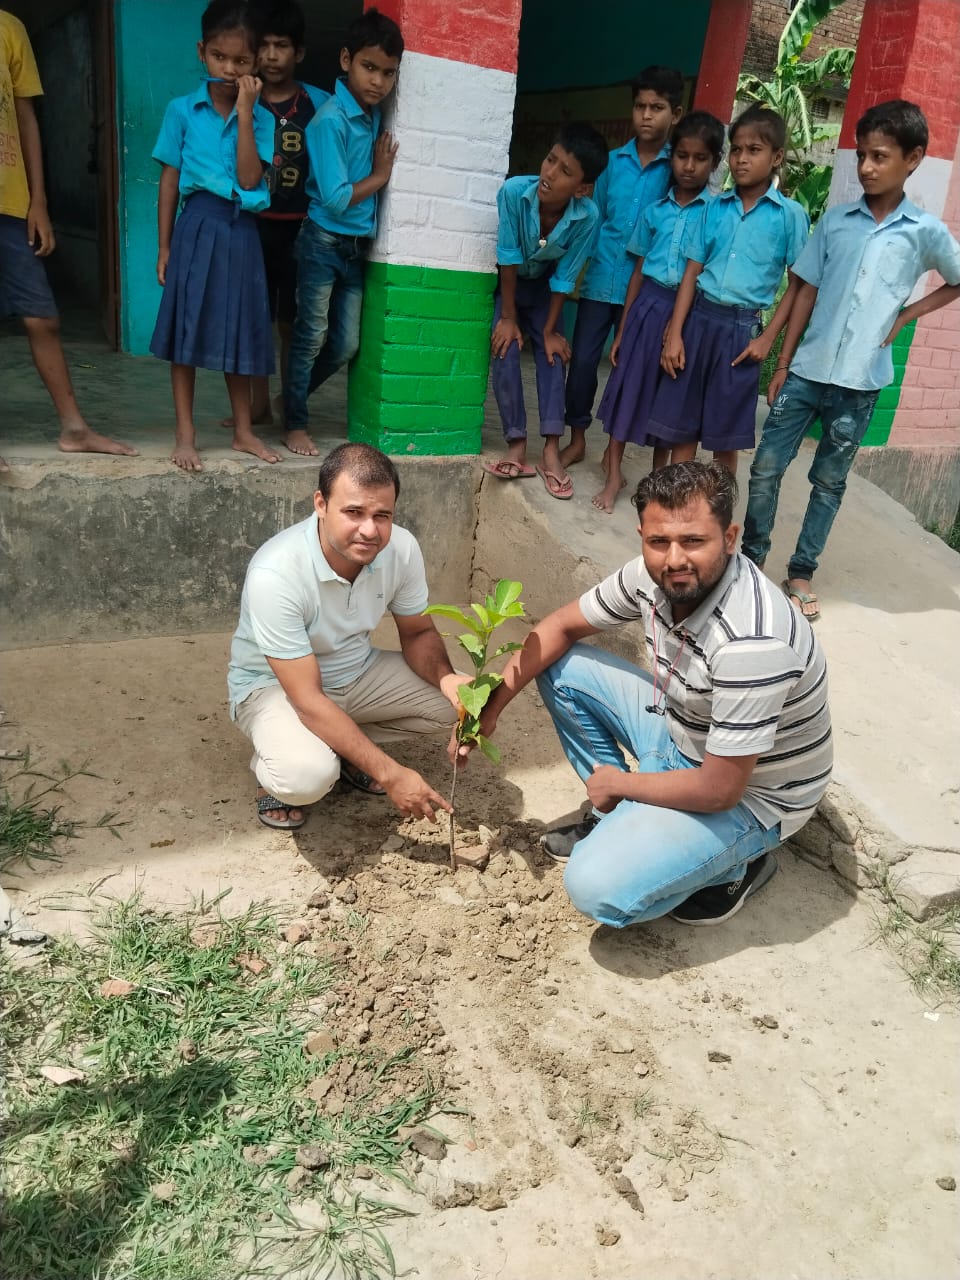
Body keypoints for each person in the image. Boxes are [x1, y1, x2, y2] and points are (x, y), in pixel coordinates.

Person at [456, 462, 832, 928]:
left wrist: (621, 783)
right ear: (642, 535)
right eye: (659, 542)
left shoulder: (752, 643)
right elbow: (559, 626)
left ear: (731, 537)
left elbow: (719, 789)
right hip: (682, 731)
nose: (674, 559)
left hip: (747, 797)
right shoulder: (650, 577)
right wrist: (490, 708)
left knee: (595, 887)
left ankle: (736, 867)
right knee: (558, 662)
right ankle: (622, 816)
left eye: (694, 541)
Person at [742, 100, 960, 621]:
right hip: (807, 371)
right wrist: (782, 361)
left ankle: (801, 572)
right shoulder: (837, 222)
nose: (865, 167)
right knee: (766, 466)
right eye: (862, 155)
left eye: (879, 157)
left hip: (859, 383)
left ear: (913, 159)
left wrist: (907, 316)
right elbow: (805, 291)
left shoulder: (924, 232)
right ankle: (750, 559)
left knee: (829, 483)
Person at [228, 442, 467, 830]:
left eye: (382, 515)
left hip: (356, 672)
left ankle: (349, 749)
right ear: (320, 504)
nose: (370, 530)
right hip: (276, 689)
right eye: (353, 512)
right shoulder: (277, 573)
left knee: (453, 703)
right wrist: (391, 774)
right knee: (306, 777)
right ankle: (276, 771)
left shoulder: (401, 548)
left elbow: (419, 631)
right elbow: (306, 699)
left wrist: (449, 679)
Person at [0, 8, 136, 470]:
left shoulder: (10, 29)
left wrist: (38, 200)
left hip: (11, 203)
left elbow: (26, 118)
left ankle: (74, 428)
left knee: (43, 317)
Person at [151, 0, 279, 472]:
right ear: (202, 51)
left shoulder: (262, 118)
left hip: (241, 231)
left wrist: (247, 114)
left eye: (242, 61)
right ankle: (185, 432)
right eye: (220, 57)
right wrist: (164, 245)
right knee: (185, 330)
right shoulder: (182, 111)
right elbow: (169, 181)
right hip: (197, 225)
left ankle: (244, 430)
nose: (230, 69)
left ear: (256, 65)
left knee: (240, 330)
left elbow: (249, 181)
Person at [652, 106, 810, 477]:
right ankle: (680, 504)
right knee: (682, 425)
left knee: (726, 436)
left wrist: (769, 340)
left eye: (754, 150)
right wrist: (675, 333)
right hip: (698, 321)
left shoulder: (789, 216)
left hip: (741, 333)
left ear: (776, 157)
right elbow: (692, 271)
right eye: (736, 149)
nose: (742, 159)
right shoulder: (714, 208)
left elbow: (799, 286)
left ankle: (717, 514)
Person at [594, 111, 724, 513]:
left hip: (687, 314)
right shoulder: (655, 211)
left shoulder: (716, 213)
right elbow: (637, 271)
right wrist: (624, 327)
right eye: (682, 156)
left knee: (668, 400)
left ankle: (658, 481)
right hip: (648, 306)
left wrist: (679, 329)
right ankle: (614, 472)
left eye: (700, 158)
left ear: (714, 163)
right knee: (626, 390)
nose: (689, 166)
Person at [282, 8, 402, 442]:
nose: (378, 81)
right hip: (323, 241)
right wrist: (380, 176)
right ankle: (294, 422)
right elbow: (334, 198)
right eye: (369, 67)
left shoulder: (370, 115)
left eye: (388, 73)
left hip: (355, 248)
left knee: (346, 343)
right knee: (311, 334)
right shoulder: (332, 119)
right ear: (346, 60)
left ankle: (289, 399)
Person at [560, 66, 684, 472]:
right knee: (581, 366)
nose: (647, 115)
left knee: (631, 370)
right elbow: (595, 219)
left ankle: (617, 454)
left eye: (657, 107)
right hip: (601, 281)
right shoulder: (613, 162)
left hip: (646, 293)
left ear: (675, 113)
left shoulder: (677, 170)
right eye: (640, 106)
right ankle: (577, 439)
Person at [222, 0, 329, 455]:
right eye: (263, 46)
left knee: (293, 325)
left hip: (301, 230)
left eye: (280, 46)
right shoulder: (245, 100)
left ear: (298, 52)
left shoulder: (318, 104)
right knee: (255, 321)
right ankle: (260, 405)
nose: (270, 55)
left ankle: (291, 409)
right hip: (253, 226)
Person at [485, 123, 608, 500]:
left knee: (552, 356)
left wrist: (551, 330)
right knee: (503, 348)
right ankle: (517, 444)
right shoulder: (513, 194)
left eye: (565, 171)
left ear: (583, 188)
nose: (549, 174)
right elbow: (507, 257)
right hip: (507, 283)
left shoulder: (587, 216)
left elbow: (565, 277)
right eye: (550, 160)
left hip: (544, 289)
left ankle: (551, 449)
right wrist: (508, 318)